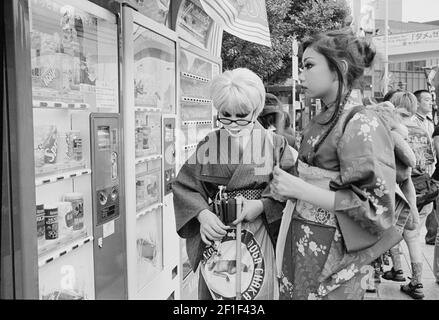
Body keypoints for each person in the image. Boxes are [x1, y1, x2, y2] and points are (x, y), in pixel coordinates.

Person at [269, 29, 410, 300]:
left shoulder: (361, 123)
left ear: (338, 69)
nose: (301, 75)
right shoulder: (321, 119)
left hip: (334, 249)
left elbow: (376, 208)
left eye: (309, 65)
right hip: (303, 239)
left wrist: (302, 190)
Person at [172, 68, 296, 299]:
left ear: (256, 110)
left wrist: (260, 205)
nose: (234, 123)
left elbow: (290, 186)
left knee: (256, 290)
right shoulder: (211, 143)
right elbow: (185, 185)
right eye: (225, 114)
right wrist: (202, 215)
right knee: (219, 289)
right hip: (220, 231)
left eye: (242, 115)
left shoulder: (274, 144)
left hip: (262, 231)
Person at [380, 91, 427, 299]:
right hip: (418, 189)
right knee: (413, 236)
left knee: (388, 232)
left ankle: (395, 270)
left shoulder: (388, 128)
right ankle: (417, 282)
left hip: (394, 189)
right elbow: (427, 163)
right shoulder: (422, 130)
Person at [414, 89, 439, 247]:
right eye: (426, 100)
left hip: (429, 171)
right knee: (423, 207)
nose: (430, 103)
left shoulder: (430, 122)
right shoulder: (412, 122)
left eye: (431, 100)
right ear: (417, 102)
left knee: (429, 206)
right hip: (418, 173)